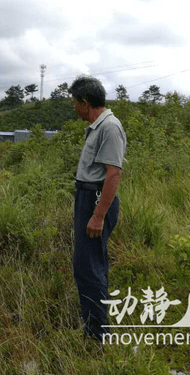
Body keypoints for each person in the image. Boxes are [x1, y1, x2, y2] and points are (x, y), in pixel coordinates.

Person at [69, 75, 127, 342]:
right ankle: (94, 326)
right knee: (88, 264)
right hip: (87, 198)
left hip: (95, 201)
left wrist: (98, 215)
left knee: (89, 267)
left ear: (85, 102)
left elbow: (113, 174)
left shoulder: (110, 127)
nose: (73, 107)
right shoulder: (97, 127)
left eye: (74, 102)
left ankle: (97, 335)